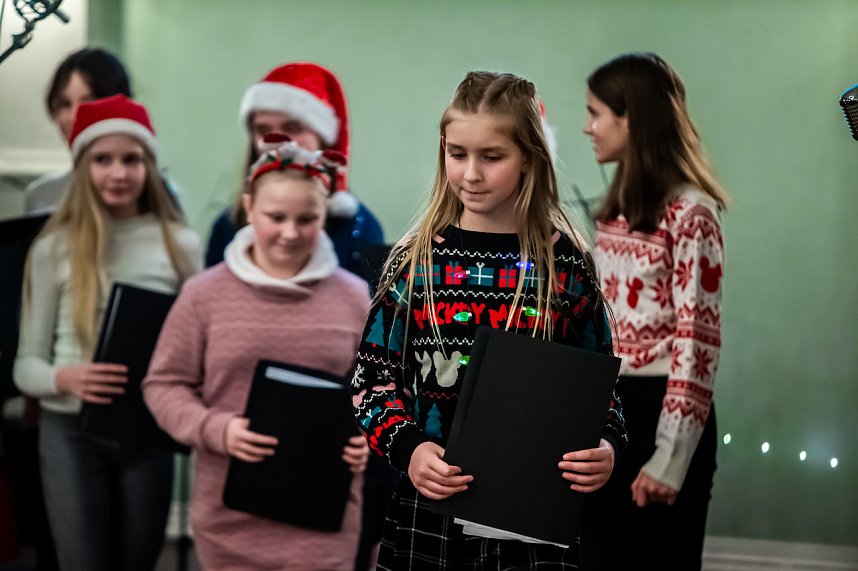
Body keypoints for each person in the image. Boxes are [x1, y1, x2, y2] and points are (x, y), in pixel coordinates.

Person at [351, 71, 627, 570]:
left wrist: (606, 444)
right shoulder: (415, 263)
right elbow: (371, 381)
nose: (471, 174)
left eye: (492, 157)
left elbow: (600, 386)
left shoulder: (563, 265)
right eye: (457, 154)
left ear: (529, 159)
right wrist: (409, 450)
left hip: (533, 518)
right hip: (426, 511)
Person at [143, 138, 371, 570]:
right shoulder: (203, 295)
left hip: (324, 521)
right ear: (248, 209)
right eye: (276, 217)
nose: (290, 232)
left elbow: (379, 390)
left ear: (326, 214)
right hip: (229, 521)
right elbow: (163, 384)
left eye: (307, 219)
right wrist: (216, 429)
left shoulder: (355, 298)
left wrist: (368, 437)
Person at [13, 94, 201, 570]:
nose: (118, 172)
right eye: (102, 159)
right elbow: (25, 364)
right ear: (81, 168)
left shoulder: (179, 244)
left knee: (138, 560)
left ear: (149, 166)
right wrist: (64, 378)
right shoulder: (52, 248)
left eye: (131, 159)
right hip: (69, 432)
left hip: (148, 429)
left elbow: (197, 346)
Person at [583, 52, 727, 569]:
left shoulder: (692, 213)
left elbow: (697, 342)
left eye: (596, 113)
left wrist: (669, 459)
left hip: (662, 411)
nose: (588, 127)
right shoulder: (616, 211)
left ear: (632, 119)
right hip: (611, 407)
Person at [205, 61, 385, 274]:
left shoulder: (361, 228)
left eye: (292, 128)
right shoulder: (227, 226)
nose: (277, 141)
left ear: (323, 139)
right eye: (262, 129)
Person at [24, 47, 133, 215]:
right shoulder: (40, 196)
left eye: (88, 103)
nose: (74, 116)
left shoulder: (152, 195)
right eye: (64, 104)